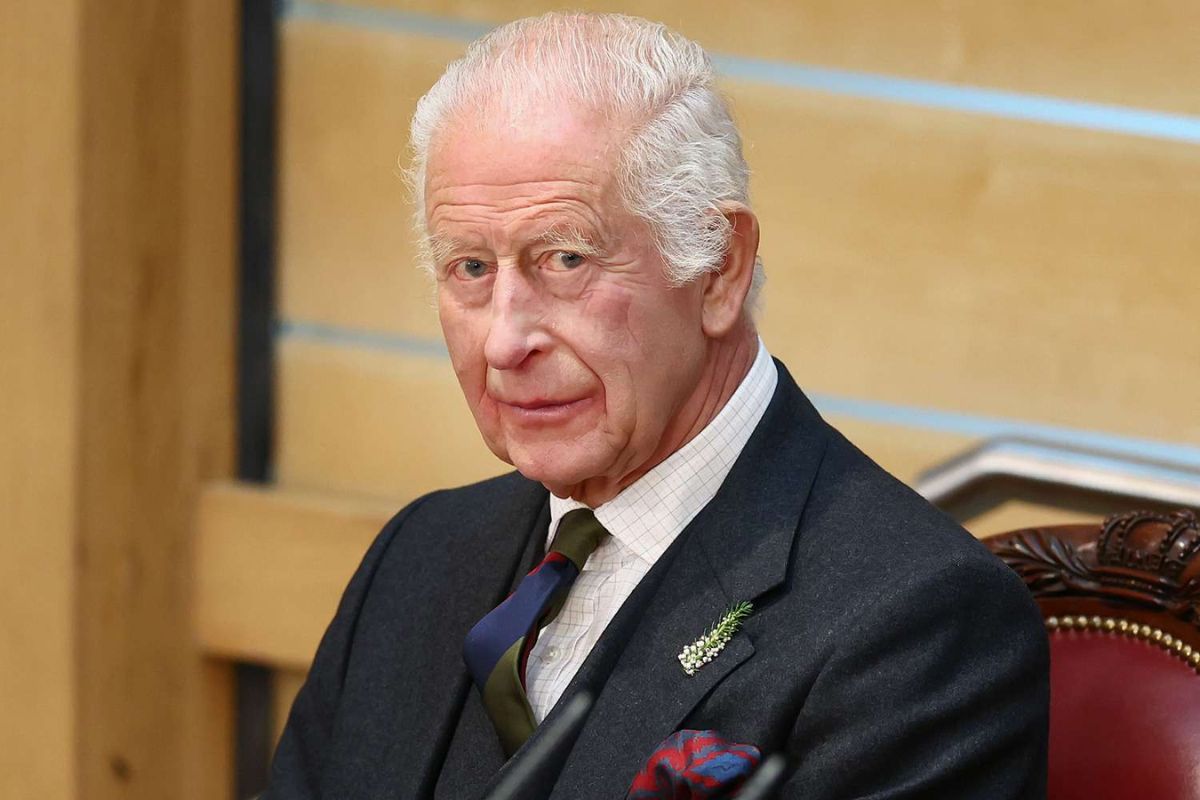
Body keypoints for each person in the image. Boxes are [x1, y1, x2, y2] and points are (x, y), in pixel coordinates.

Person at [265, 12, 1048, 799]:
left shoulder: (918, 620)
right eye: (471, 267)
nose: (504, 341)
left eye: (564, 258)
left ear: (718, 270)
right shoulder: (418, 555)